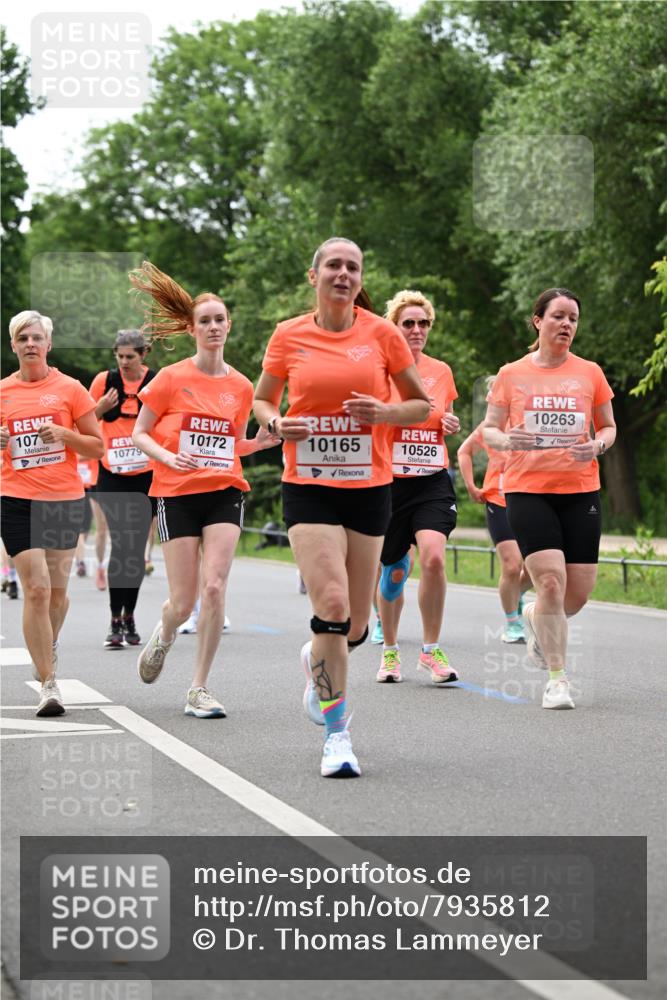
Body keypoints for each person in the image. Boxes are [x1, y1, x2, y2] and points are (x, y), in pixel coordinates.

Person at [253, 237, 430, 777]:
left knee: (352, 628)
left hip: (369, 486)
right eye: (333, 265)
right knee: (330, 605)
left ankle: (317, 658)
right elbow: (263, 399)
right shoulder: (288, 334)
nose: (343, 274)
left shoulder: (382, 335)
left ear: (360, 279)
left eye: (353, 266)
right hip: (308, 484)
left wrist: (385, 412)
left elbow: (419, 405)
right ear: (315, 276)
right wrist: (277, 422)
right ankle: (337, 735)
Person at [130, 261, 279, 717]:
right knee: (184, 602)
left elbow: (233, 444)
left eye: (219, 320)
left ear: (228, 326)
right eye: (205, 321)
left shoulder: (241, 386)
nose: (213, 327)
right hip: (175, 493)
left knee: (214, 587)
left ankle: (198, 688)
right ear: (192, 329)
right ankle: (165, 633)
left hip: (224, 491)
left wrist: (258, 444)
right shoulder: (171, 378)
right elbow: (140, 432)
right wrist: (167, 456)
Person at [483, 288, 616, 709]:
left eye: (573, 318)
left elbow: (608, 427)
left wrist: (596, 445)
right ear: (538, 321)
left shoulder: (590, 372)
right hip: (527, 489)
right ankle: (557, 681)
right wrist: (507, 439)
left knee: (575, 595)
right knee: (552, 582)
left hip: (580, 490)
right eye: (558, 316)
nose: (566, 324)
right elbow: (489, 429)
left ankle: (534, 615)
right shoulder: (511, 374)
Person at [0, 310, 103, 716]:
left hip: (62, 499)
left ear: (48, 344)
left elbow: (97, 446)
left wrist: (65, 434)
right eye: (23, 338)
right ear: (13, 345)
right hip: (16, 498)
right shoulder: (2, 392)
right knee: (37, 590)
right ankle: (48, 683)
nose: (30, 344)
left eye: (36, 337)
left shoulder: (70, 389)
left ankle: (48, 645)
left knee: (58, 596)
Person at [375, 290, 460, 685]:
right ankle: (390, 651)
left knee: (434, 558)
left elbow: (446, 417)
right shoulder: (380, 371)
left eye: (423, 323)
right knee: (394, 572)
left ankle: (430, 650)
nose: (416, 329)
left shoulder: (441, 371)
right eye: (408, 323)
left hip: (432, 481)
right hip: (390, 483)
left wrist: (449, 424)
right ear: (394, 327)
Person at [90, 330, 158, 648]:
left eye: (131, 356)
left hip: (146, 476)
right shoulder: (104, 381)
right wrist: (101, 407)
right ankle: (114, 619)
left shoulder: (156, 382)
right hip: (112, 475)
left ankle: (129, 615)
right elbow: (82, 422)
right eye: (120, 356)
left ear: (143, 354)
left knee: (135, 549)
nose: (124, 362)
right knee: (120, 545)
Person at [457, 378, 531, 643]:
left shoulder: (531, 422)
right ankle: (513, 624)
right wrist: (470, 486)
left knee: (536, 569)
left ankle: (515, 593)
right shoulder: (489, 429)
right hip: (498, 501)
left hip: (531, 501)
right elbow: (464, 452)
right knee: (512, 565)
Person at [74, 457, 109, 589]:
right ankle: (81, 562)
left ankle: (100, 566)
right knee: (81, 527)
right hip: (79, 486)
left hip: (101, 480)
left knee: (97, 529)